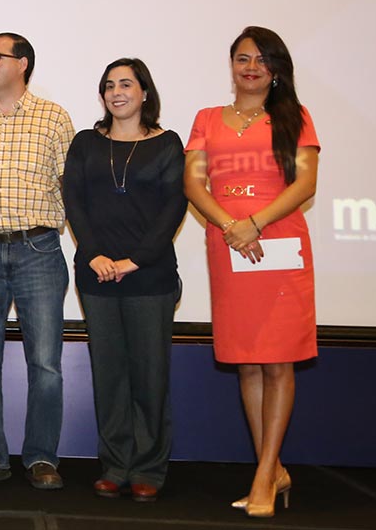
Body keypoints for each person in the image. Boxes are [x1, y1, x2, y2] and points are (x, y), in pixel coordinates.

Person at [184, 27, 319, 519]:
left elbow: (305, 182)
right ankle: (273, 467)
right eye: (243, 58)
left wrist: (255, 223)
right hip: (229, 247)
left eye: (262, 60)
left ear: (276, 69)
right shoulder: (207, 119)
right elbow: (194, 184)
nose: (252, 67)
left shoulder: (294, 117)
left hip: (279, 245)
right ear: (232, 64)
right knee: (247, 361)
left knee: (278, 361)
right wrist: (231, 226)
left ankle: (264, 474)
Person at [0, 32, 74, 489]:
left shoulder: (54, 117)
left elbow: (70, 187)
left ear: (22, 64)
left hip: (37, 249)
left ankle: (42, 457)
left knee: (45, 363)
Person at [63, 59, 186, 503]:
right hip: (96, 275)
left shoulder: (168, 144)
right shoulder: (86, 143)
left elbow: (174, 207)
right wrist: (94, 254)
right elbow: (74, 200)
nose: (117, 92)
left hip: (149, 277)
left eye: (126, 84)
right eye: (109, 85)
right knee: (110, 374)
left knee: (149, 375)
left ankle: (149, 467)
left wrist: (135, 260)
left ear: (144, 92)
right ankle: (115, 465)